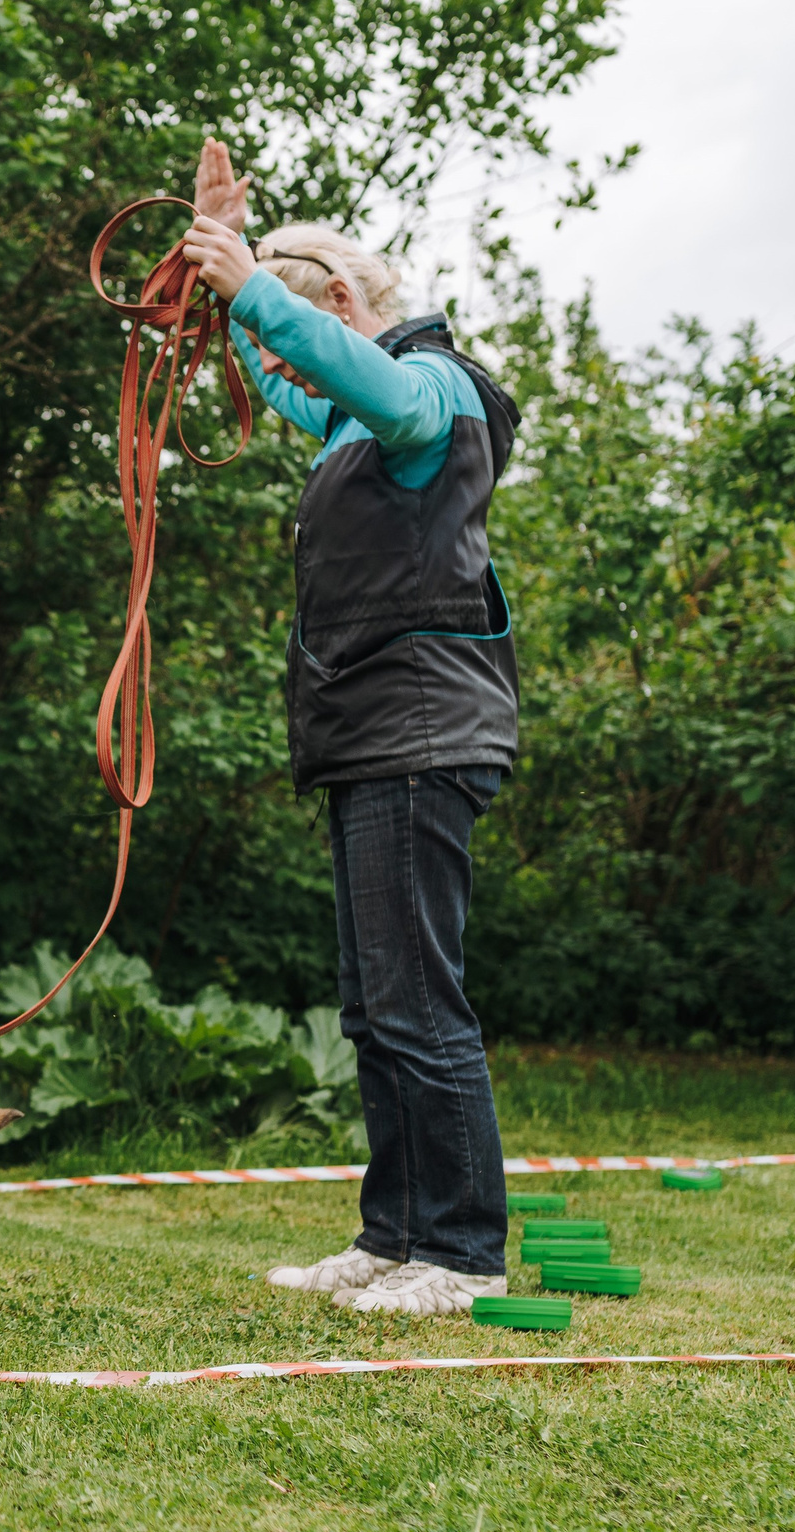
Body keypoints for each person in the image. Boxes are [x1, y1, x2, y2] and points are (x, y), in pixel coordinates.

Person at [177, 139, 520, 1316]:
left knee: (420, 1001)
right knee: (377, 1004)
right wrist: (221, 276)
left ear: (337, 301)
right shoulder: (348, 421)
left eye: (291, 327)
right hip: (375, 738)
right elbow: (296, 376)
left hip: (420, 735)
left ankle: (463, 1255)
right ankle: (394, 1235)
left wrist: (250, 286)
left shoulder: (433, 388)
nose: (281, 369)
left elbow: (352, 372)